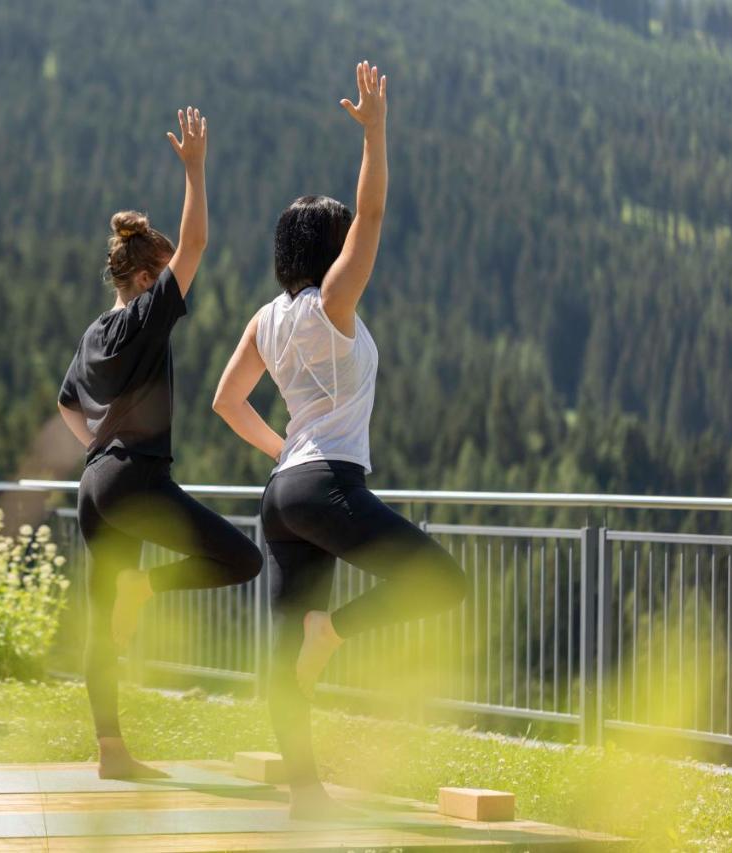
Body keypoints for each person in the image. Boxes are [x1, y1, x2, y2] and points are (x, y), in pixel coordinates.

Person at [212, 62, 466, 818]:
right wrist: (377, 131)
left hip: (284, 492)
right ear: (328, 250)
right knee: (439, 582)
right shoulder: (334, 303)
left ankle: (306, 796)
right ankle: (335, 631)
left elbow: (226, 401)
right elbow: (375, 211)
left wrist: (283, 457)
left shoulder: (266, 317)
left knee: (284, 663)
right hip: (327, 482)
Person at [58, 107, 263, 780]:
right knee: (240, 557)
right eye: (167, 273)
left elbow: (66, 404)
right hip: (137, 479)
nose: (177, 281)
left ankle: (110, 752)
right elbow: (197, 243)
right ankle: (146, 587)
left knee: (99, 619)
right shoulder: (147, 318)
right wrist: (196, 172)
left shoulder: (94, 332)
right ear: (147, 280)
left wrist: (100, 446)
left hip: (94, 485)